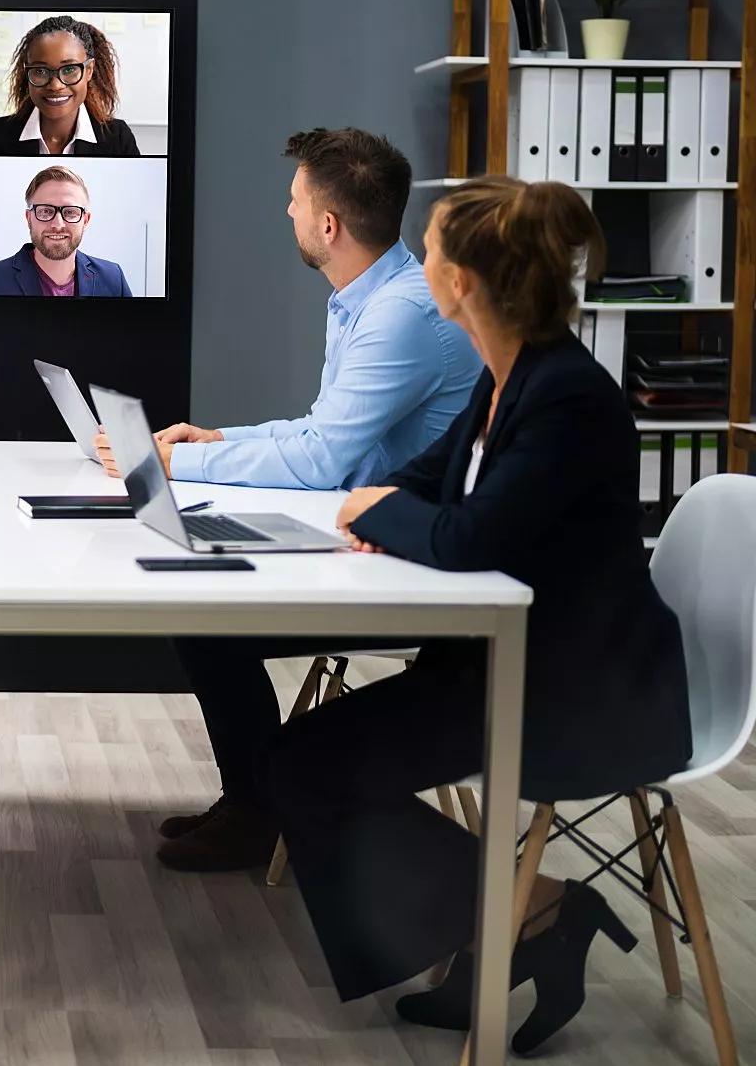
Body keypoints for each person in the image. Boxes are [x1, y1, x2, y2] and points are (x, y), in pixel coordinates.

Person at [268, 176, 691, 1052]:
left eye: (426, 249)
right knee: (303, 760)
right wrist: (383, 505)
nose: (416, 261)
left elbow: (468, 537)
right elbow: (434, 482)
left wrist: (371, 512)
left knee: (309, 765)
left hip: (586, 693)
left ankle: (526, 916)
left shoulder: (566, 395)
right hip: (510, 664)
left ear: (459, 283)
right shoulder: (509, 378)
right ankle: (518, 919)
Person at [99, 128, 481, 872]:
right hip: (368, 533)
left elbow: (321, 458)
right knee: (202, 615)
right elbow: (321, 432)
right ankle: (252, 802)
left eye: (297, 200)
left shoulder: (400, 314)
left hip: (404, 559)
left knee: (210, 623)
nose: (288, 210)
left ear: (329, 226)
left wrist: (174, 461)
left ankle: (256, 810)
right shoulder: (366, 298)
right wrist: (211, 442)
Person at [0, 15, 141, 157]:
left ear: (89, 70)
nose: (55, 85)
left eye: (69, 69)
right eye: (40, 70)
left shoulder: (117, 138)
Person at [0, 164, 133, 296]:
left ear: (85, 220)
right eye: (46, 211)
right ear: (29, 218)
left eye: (70, 212)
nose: (57, 224)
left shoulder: (113, 278)